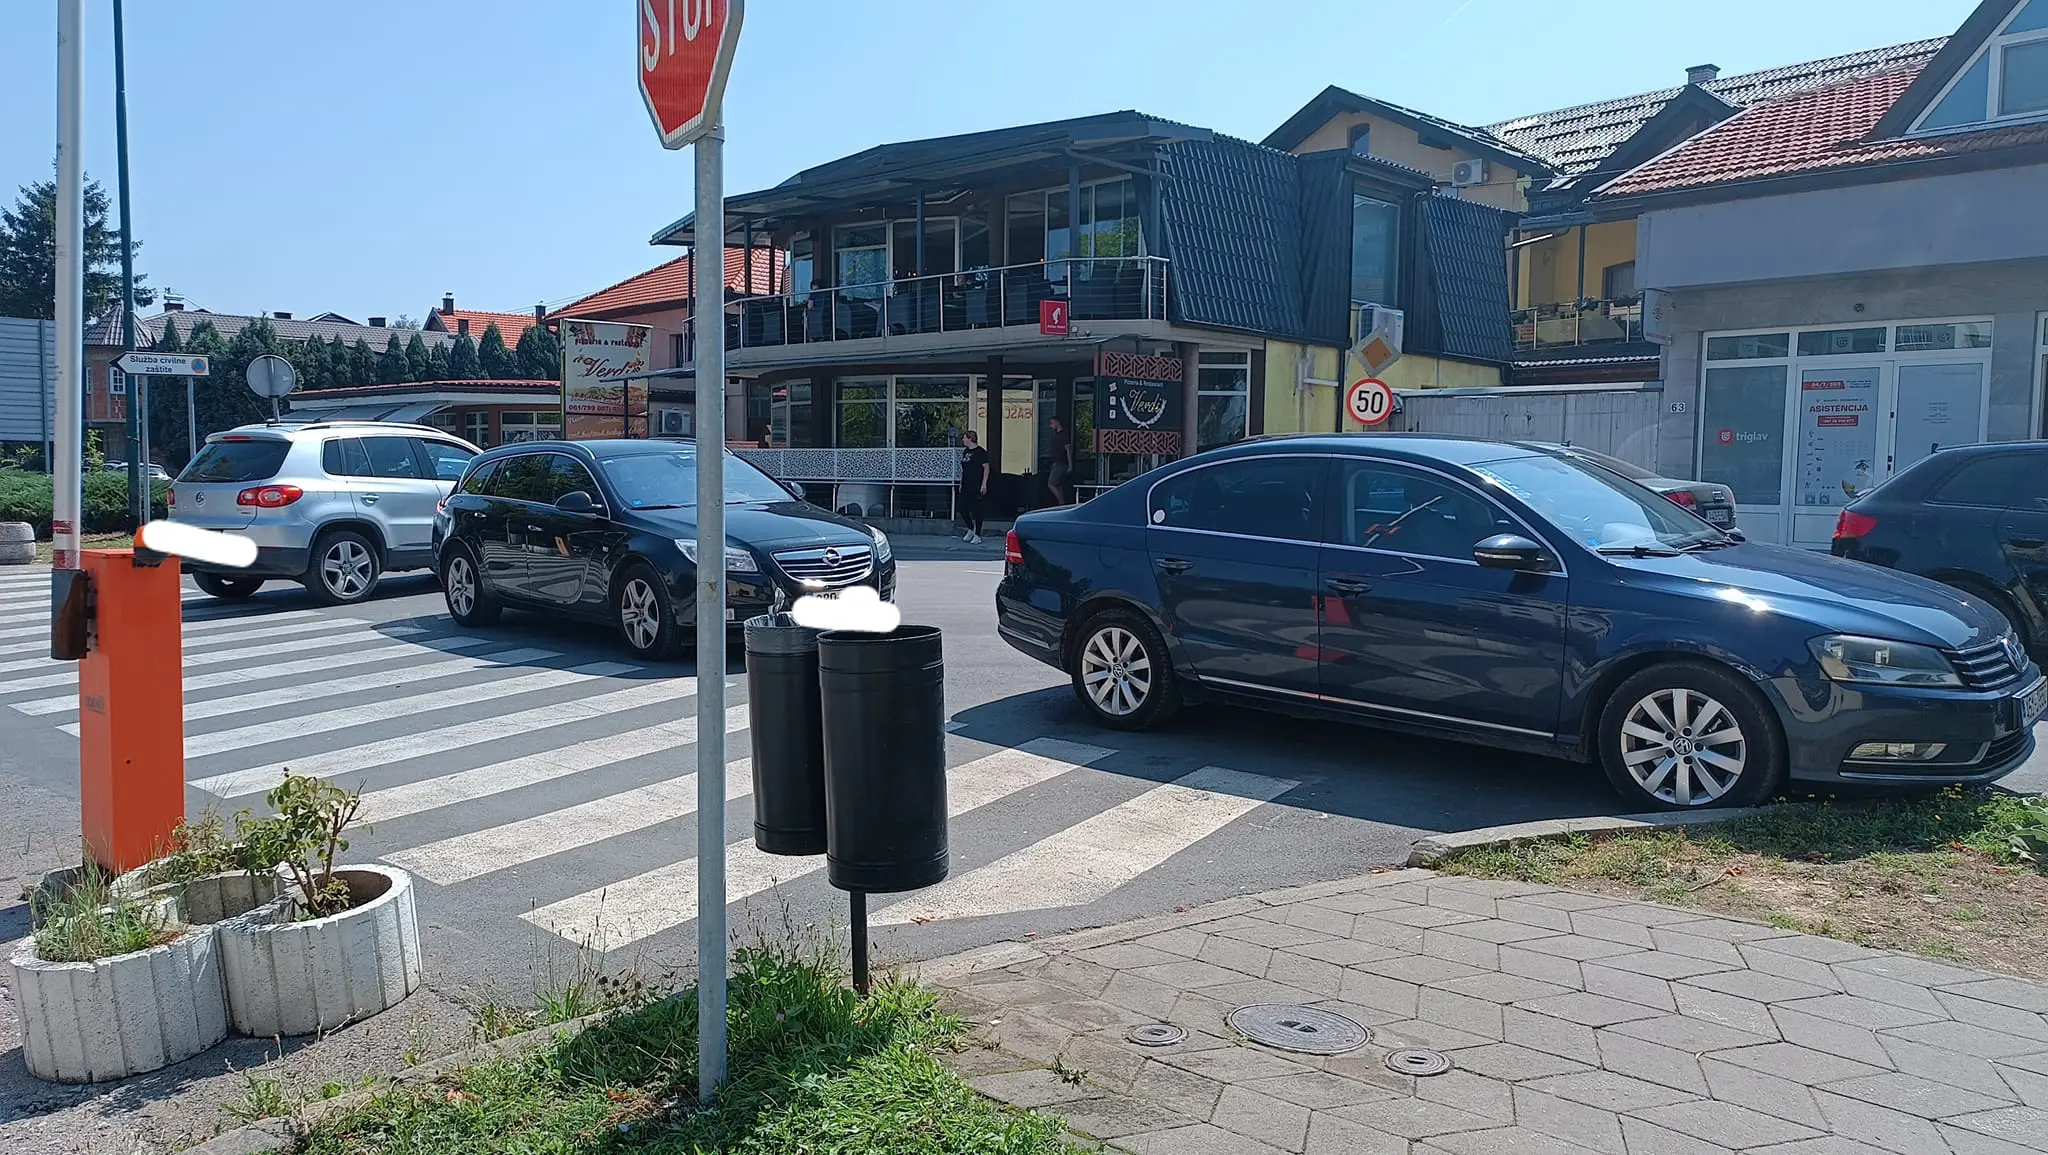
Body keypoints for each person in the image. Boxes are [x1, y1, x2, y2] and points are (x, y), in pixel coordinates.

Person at [959, 431, 991, 544]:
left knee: (977, 509)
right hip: (966, 483)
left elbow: (986, 468)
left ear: (970, 439)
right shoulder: (965, 452)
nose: (963, 440)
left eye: (964, 438)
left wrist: (984, 483)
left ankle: (977, 534)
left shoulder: (980, 452)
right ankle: (970, 528)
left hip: (976, 483)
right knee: (962, 507)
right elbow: (964, 469)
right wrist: (961, 483)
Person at [1046, 416, 1073, 507]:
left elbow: (1068, 450)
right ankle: (1061, 503)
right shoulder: (1056, 434)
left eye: (1052, 423)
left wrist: (1070, 465)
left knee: (1051, 483)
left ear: (1057, 422)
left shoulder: (1063, 435)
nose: (1051, 426)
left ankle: (1061, 502)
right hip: (1055, 462)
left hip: (1060, 463)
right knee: (1057, 484)